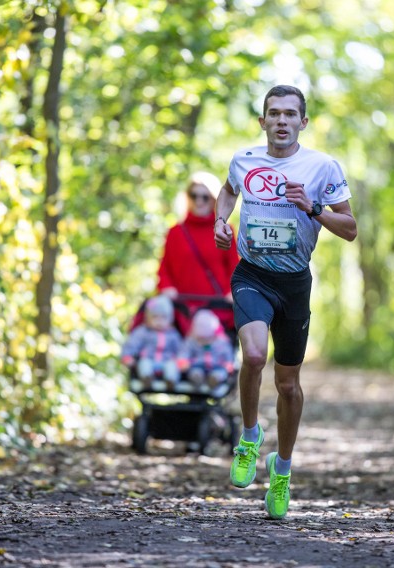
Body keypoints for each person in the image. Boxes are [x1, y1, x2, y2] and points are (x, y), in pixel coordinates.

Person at [213, 85, 357, 519]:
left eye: (289, 114)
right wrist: (221, 220)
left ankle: (282, 471)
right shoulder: (244, 159)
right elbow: (227, 191)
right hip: (252, 274)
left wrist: (313, 209)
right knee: (254, 356)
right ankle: (250, 438)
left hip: (294, 283)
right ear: (262, 122)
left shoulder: (322, 166)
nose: (281, 121)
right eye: (273, 113)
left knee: (289, 385)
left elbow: (349, 228)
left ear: (302, 122)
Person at [157, 171, 240, 328]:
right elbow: (164, 268)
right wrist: (167, 287)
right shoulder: (176, 232)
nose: (199, 201)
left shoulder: (225, 230)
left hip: (218, 310)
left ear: (215, 200)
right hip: (181, 310)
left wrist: (232, 293)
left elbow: (234, 267)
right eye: (194, 195)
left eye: (205, 197)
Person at [120, 294, 183, 391]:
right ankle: (146, 378)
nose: (159, 321)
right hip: (149, 358)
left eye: (163, 318)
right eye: (155, 317)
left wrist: (182, 360)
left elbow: (180, 349)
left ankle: (171, 380)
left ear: (170, 319)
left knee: (172, 366)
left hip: (167, 360)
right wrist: (127, 356)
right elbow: (132, 344)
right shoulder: (142, 332)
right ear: (148, 318)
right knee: (144, 363)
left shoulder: (173, 334)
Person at [178, 309, 235, 390]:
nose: (205, 342)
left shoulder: (222, 342)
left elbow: (228, 356)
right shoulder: (191, 342)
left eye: (208, 339)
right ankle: (196, 379)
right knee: (194, 372)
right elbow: (184, 352)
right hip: (197, 366)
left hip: (217, 366)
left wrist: (228, 364)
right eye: (201, 339)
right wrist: (183, 361)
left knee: (221, 373)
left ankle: (215, 379)